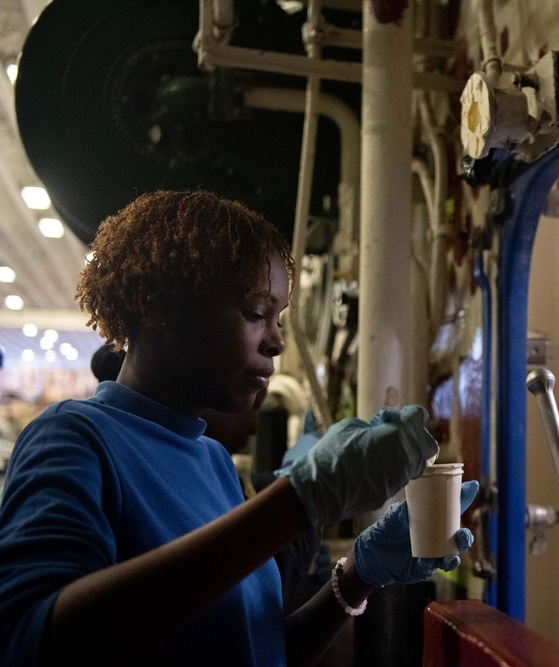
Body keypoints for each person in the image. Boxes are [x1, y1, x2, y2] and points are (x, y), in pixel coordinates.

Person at [0, 190, 477, 666]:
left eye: (278, 318)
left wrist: (359, 573)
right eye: (254, 313)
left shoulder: (212, 461)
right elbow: (34, 645)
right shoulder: (73, 440)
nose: (276, 341)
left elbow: (255, 649)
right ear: (164, 309)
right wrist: (298, 502)